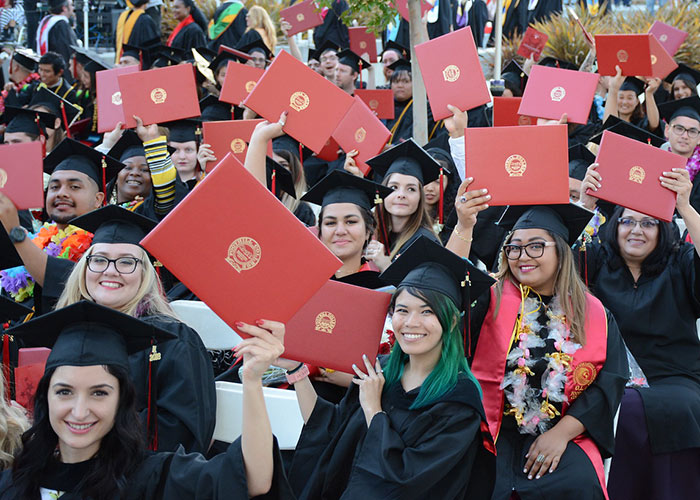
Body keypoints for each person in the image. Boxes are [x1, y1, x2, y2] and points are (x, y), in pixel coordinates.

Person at [239, 235, 496, 499]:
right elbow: (332, 429)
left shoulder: (459, 401)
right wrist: (296, 371)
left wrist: (374, 410)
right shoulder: (379, 371)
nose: (411, 322)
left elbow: (407, 480)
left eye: (427, 311)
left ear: (452, 321)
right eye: (402, 310)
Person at [0, 300, 291, 498]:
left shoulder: (155, 478)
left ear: (122, 401)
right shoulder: (14, 483)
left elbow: (254, 479)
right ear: (45, 397)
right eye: (64, 392)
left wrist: (252, 380)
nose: (79, 410)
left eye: (99, 393)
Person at [447, 192, 628, 499]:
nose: (522, 256)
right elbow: (446, 307)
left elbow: (608, 383)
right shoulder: (490, 300)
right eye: (514, 248)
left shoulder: (594, 314)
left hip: (564, 433)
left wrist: (561, 434)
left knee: (579, 485)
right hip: (489, 433)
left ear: (560, 252)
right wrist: (464, 226)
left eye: (535, 246)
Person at [48, 206, 216, 454]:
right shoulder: (70, 334)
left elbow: (183, 433)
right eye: (99, 259)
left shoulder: (172, 340)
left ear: (145, 273)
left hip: (139, 477)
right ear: (84, 269)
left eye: (127, 261)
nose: (110, 270)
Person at [579, 163, 700, 500]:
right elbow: (558, 260)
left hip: (674, 377)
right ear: (614, 226)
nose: (636, 230)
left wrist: (685, 207)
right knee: (624, 405)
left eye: (649, 223)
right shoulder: (597, 262)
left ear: (663, 231)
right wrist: (586, 204)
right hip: (607, 377)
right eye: (628, 221)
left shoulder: (681, 262)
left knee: (676, 409)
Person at [364, 139, 442, 271]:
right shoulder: (378, 232)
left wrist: (385, 265)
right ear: (383, 193)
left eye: (411, 189)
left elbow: (420, 291)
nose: (401, 194)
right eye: (394, 187)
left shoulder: (425, 243)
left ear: (420, 198)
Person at [383, 59, 439, 144]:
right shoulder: (384, 106)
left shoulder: (424, 107)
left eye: (406, 81)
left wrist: (390, 147)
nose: (400, 85)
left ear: (415, 83)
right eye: (396, 81)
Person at [604, 66, 660, 134]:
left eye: (630, 98)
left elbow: (654, 125)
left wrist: (649, 93)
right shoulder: (603, 120)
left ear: (637, 101)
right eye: (621, 97)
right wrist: (613, 89)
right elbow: (608, 127)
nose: (625, 102)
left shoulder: (641, 124)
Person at [114, 0, 160, 65]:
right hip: (138, 65)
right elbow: (153, 50)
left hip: (122, 63)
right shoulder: (146, 20)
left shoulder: (122, 18)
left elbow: (115, 42)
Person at [35, 0, 76, 69]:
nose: (73, 8)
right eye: (71, 5)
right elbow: (66, 52)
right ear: (64, 8)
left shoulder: (46, 20)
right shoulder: (61, 25)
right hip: (56, 70)